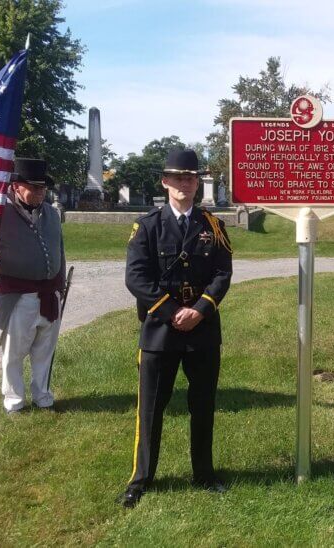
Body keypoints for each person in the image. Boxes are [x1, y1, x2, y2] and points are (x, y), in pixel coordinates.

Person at [121, 148, 233, 509]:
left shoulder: (213, 226)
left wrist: (200, 310)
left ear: (197, 182)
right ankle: (141, 479)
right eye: (177, 178)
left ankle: (204, 473)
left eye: (190, 177)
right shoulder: (148, 226)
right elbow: (136, 277)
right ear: (165, 182)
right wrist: (172, 312)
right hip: (160, 331)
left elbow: (222, 273)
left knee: (203, 405)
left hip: (202, 331)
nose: (185, 184)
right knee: (151, 408)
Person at [0, 158, 65, 413]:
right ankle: (14, 402)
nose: (38, 193)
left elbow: (60, 249)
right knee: (12, 353)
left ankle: (43, 397)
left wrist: (61, 286)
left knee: (44, 350)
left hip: (50, 294)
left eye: (42, 188)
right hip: (17, 296)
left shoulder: (53, 214)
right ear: (16, 187)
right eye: (33, 187)